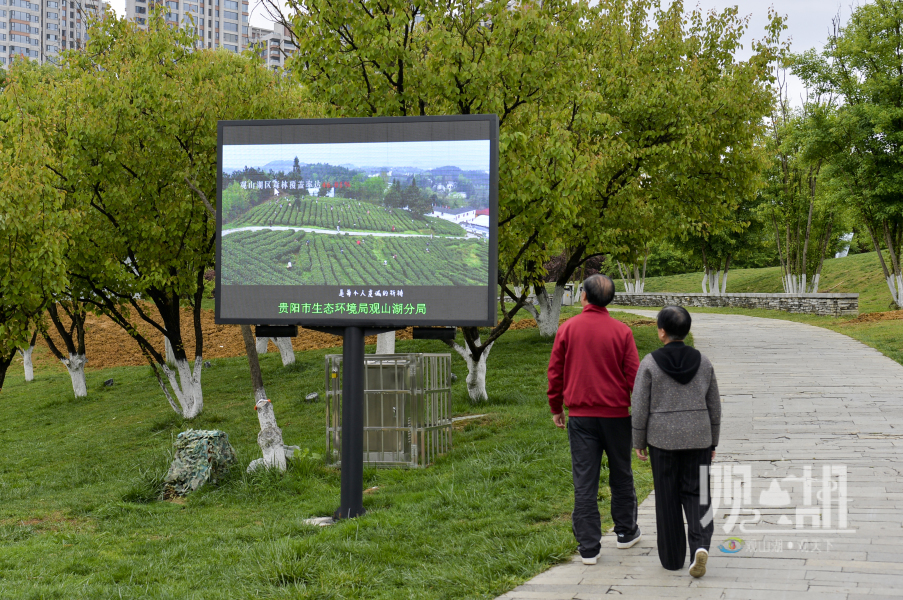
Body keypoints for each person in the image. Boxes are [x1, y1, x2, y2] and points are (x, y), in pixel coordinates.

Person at [547, 274, 642, 566]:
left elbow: (555, 372)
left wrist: (556, 406)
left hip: (581, 418)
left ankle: (589, 547)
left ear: (583, 297)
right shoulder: (622, 331)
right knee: (621, 473)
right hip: (616, 417)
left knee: (584, 480)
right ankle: (626, 532)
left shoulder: (567, 328)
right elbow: (634, 378)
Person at [631, 306, 721, 578]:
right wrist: (713, 441)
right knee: (699, 495)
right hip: (699, 438)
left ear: (661, 332)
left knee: (667, 498)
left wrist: (638, 439)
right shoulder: (704, 362)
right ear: (688, 330)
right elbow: (714, 405)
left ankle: (671, 559)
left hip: (662, 440)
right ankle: (700, 546)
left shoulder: (649, 363)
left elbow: (639, 405)